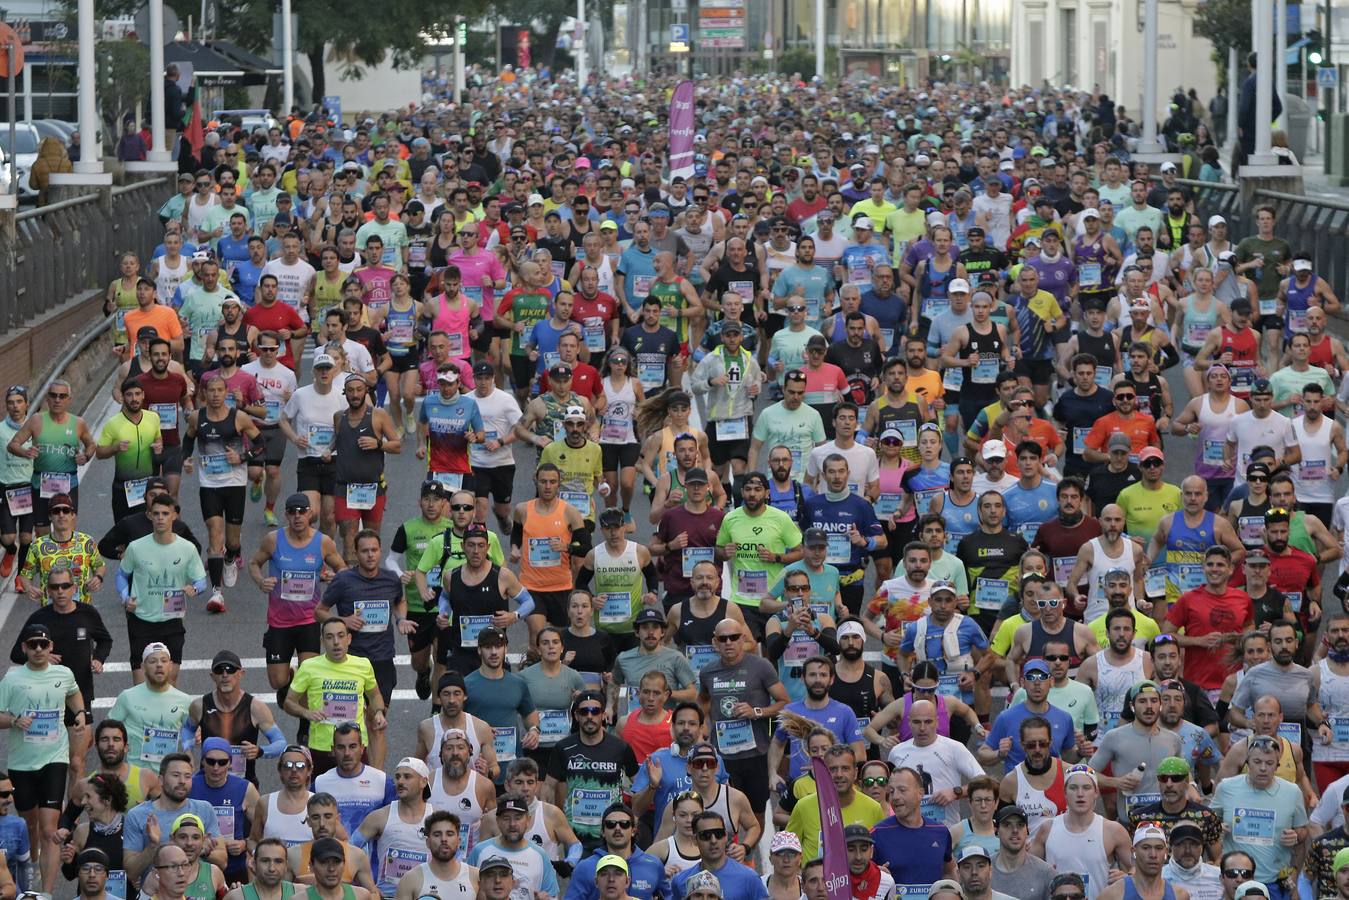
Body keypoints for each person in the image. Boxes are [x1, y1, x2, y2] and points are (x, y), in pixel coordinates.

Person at [282, 618, 385, 776]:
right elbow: (289, 702)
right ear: (322, 641)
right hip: (322, 747)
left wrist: (378, 712)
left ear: (348, 639)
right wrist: (306, 713)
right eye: (330, 637)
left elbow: (375, 695)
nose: (336, 642)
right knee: (322, 798)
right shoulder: (309, 666)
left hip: (355, 746)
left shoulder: (363, 665)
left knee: (357, 797)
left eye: (341, 636)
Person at [1212, 734, 1308, 898]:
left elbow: (1303, 831)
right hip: (1235, 881)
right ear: (1247, 763)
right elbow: (1207, 823)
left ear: (1277, 766)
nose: (1263, 768)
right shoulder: (1227, 787)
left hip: (1274, 881)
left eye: (1269, 763)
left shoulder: (1292, 792)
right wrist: (1216, 828)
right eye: (1257, 762)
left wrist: (1296, 835)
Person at [1029, 765, 1133, 900]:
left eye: (1086, 788)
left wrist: (1128, 879)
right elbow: (1029, 873)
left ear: (1096, 792)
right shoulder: (1047, 829)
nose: (1080, 794)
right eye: (1073, 788)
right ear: (1065, 792)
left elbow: (1138, 869)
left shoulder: (1113, 831)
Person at [871, 766, 955, 887]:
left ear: (920, 793)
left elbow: (949, 871)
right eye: (892, 791)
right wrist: (875, 876)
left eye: (902, 790)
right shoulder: (876, 834)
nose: (895, 797)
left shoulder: (940, 831)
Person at [988, 804, 1057, 900]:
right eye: (1007, 825)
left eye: (1020, 825)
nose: (1015, 830)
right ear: (996, 830)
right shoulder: (984, 871)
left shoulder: (1046, 873)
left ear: (1027, 831)